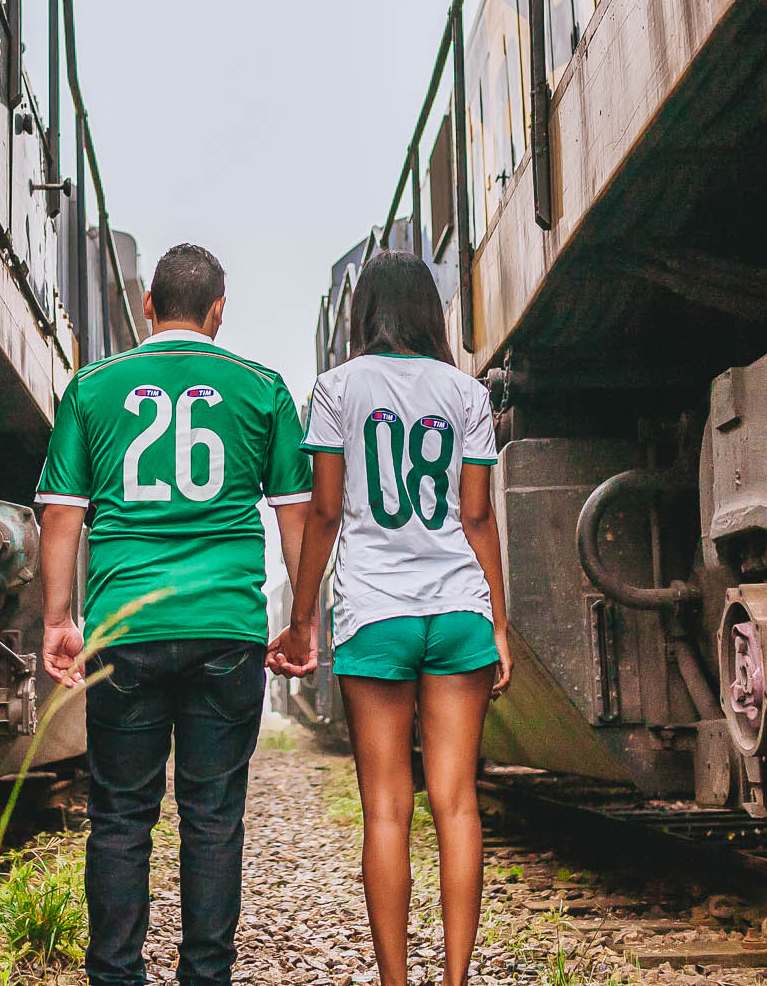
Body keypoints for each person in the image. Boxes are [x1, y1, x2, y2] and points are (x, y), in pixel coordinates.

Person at [35, 243, 315, 986]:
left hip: (125, 627)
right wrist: (303, 621)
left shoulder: (92, 387)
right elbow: (299, 520)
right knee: (213, 815)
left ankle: (116, 976)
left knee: (121, 818)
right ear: (219, 311)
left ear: (150, 306)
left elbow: (62, 515)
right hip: (227, 629)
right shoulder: (262, 388)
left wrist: (58, 618)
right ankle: (205, 976)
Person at [270, 250, 511, 986]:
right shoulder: (465, 391)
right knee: (457, 801)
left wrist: (303, 615)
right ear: (428, 310)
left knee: (385, 810)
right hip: (458, 607)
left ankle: (396, 983)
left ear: (362, 308)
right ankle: (458, 980)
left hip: (376, 612)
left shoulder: (336, 388)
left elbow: (327, 509)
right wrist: (499, 623)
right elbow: (476, 513)